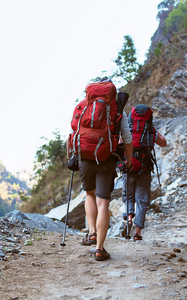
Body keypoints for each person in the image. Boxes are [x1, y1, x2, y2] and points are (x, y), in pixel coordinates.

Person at [67, 79, 132, 261]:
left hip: (84, 157)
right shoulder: (117, 110)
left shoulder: (82, 106)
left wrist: (71, 155)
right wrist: (128, 161)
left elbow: (72, 133)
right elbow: (127, 138)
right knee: (103, 202)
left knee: (89, 195)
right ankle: (99, 248)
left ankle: (92, 232)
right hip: (107, 158)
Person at [122, 104, 167, 241]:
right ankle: (138, 233)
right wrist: (152, 129)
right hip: (144, 169)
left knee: (128, 196)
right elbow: (164, 143)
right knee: (142, 201)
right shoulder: (150, 132)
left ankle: (129, 218)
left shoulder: (127, 130)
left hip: (128, 167)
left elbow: (118, 143)